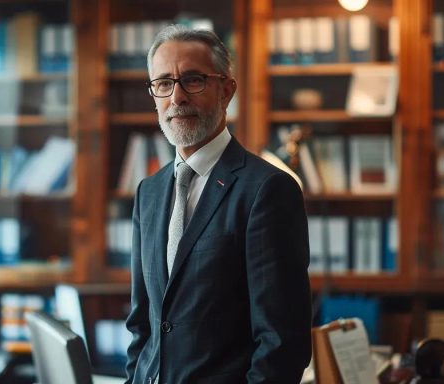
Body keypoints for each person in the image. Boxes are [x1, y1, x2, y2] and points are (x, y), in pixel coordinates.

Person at [124, 25, 311, 384]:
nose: (177, 97)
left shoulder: (268, 190)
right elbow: (142, 326)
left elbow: (282, 343)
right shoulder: (149, 192)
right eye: (163, 83)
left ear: (226, 91)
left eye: (192, 80)